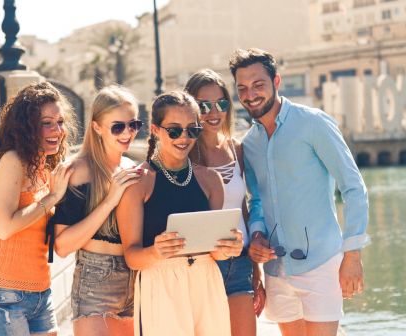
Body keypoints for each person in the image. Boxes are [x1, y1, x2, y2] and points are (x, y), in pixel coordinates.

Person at [229, 48, 369, 336]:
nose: (250, 94)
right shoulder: (250, 143)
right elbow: (256, 201)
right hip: (277, 271)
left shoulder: (313, 123)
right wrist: (256, 233)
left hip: (321, 262)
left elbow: (353, 186)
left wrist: (352, 254)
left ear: (276, 82)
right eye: (242, 88)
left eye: (258, 85)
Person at [116, 91, 244, 336]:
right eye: (174, 130)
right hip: (160, 282)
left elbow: (215, 252)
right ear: (155, 129)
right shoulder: (138, 182)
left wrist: (229, 247)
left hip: (207, 280)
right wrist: (155, 251)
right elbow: (132, 257)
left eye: (192, 130)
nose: (184, 138)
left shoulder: (211, 180)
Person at [0, 82, 76, 336]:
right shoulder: (13, 160)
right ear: (27, 126)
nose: (57, 130)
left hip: (41, 294)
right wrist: (52, 198)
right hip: (3, 298)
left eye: (60, 122)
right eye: (47, 123)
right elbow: (4, 228)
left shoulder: (44, 166)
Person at [48, 85, 143, 336]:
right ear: (97, 127)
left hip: (136, 278)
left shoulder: (131, 166)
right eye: (118, 126)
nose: (127, 133)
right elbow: (63, 246)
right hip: (96, 281)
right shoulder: (78, 170)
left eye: (133, 125)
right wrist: (110, 200)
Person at [184, 69, 265, 336]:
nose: (213, 112)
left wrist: (256, 270)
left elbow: (242, 209)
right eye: (204, 105)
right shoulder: (183, 156)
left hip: (239, 262)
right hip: (203, 266)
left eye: (220, 103)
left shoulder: (236, 149)